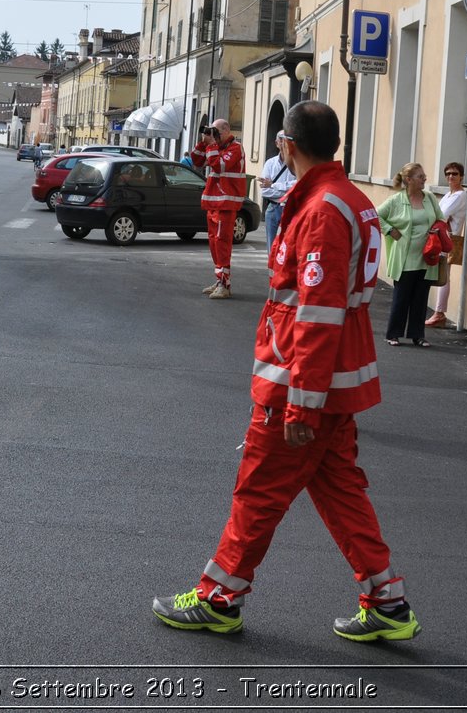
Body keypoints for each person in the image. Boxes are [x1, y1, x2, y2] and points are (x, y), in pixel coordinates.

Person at [151, 100, 420, 643]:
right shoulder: (351, 200)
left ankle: (219, 597)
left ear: (287, 145)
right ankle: (388, 603)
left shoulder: (321, 209)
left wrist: (301, 400)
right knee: (342, 492)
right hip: (335, 382)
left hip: (302, 383)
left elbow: (315, 315)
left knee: (258, 491)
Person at [376, 162, 443, 346]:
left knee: (421, 298)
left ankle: (418, 335)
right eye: (420, 176)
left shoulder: (429, 198)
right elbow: (375, 215)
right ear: (408, 179)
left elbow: (441, 219)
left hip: (427, 257)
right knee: (401, 298)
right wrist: (390, 230)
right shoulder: (396, 200)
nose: (424, 179)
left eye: (423, 176)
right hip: (405, 258)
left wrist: (437, 230)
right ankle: (393, 334)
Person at [190, 118, 247, 299]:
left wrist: (212, 145)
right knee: (214, 243)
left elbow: (219, 165)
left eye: (216, 132)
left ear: (226, 130)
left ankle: (224, 284)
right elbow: (197, 161)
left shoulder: (235, 148)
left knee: (222, 243)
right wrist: (203, 141)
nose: (213, 136)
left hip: (226, 203)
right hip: (214, 203)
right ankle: (219, 280)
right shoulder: (215, 147)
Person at [427, 163, 467, 328]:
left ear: (461, 176)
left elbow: (441, 215)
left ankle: (439, 313)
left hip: (448, 239)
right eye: (448, 174)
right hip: (441, 237)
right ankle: (438, 312)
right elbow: (437, 214)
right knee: (441, 275)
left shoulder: (460, 195)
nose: (451, 177)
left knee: (443, 276)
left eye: (455, 174)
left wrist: (438, 217)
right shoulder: (448, 195)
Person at [258, 130, 297, 252]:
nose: (283, 142)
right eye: (280, 139)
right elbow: (265, 191)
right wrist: (286, 190)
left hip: (291, 208)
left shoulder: (296, 162)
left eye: (285, 139)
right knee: (272, 245)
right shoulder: (270, 163)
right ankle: (272, 271)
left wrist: (273, 185)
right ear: (276, 143)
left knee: (288, 245)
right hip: (273, 208)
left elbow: (297, 184)